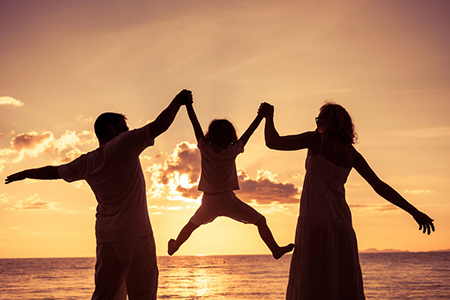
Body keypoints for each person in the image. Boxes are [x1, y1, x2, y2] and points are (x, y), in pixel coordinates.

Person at [5, 89, 193, 300]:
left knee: (106, 296)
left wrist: (24, 173)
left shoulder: (87, 162)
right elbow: (161, 124)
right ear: (112, 129)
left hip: (107, 240)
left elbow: (53, 171)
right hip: (136, 235)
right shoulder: (124, 143)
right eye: (124, 127)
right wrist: (178, 100)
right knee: (143, 295)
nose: (128, 130)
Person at [259, 102, 435, 300]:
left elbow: (273, 142)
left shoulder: (316, 140)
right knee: (339, 285)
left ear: (330, 121)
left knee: (312, 285)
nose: (317, 123)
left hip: (315, 221)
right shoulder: (351, 154)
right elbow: (380, 186)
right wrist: (414, 212)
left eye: (320, 119)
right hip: (342, 226)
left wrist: (269, 116)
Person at [167, 100, 295, 259]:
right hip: (228, 199)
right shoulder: (232, 150)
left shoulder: (205, 149)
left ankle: (174, 246)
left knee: (191, 226)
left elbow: (195, 124)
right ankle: (274, 248)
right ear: (230, 136)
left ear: (210, 135)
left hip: (209, 201)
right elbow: (249, 132)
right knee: (260, 221)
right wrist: (260, 116)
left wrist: (188, 105)